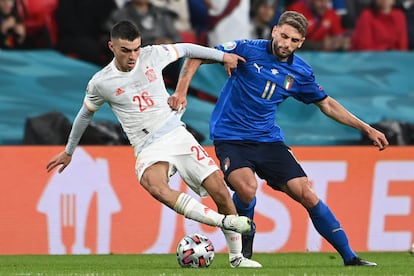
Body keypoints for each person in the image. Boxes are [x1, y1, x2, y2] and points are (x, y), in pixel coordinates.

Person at [169, 11, 389, 266]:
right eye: (283, 36)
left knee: (306, 192)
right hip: (231, 137)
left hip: (268, 140)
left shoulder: (301, 73)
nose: (286, 43)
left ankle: (350, 257)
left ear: (301, 43)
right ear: (274, 31)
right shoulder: (246, 49)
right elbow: (197, 54)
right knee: (247, 188)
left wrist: (367, 128)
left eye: (294, 40)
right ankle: (244, 247)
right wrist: (181, 92)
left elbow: (327, 104)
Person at [46, 20, 262, 269]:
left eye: (136, 49)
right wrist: (69, 151)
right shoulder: (101, 82)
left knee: (221, 192)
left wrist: (223, 56)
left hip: (176, 134)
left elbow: (189, 49)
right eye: (126, 50)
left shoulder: (153, 55)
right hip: (148, 146)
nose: (133, 56)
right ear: (111, 47)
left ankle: (237, 258)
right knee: (154, 185)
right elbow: (85, 115)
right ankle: (222, 222)